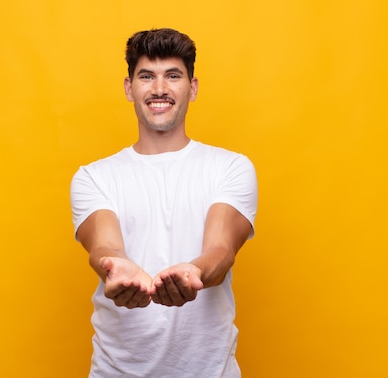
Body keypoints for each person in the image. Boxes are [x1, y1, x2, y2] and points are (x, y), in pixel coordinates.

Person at [70, 28, 258, 378]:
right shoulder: (93, 177)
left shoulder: (231, 168)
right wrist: (116, 267)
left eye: (173, 76)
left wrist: (196, 272)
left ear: (193, 87)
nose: (159, 89)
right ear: (129, 88)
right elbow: (104, 244)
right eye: (146, 76)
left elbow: (220, 249)